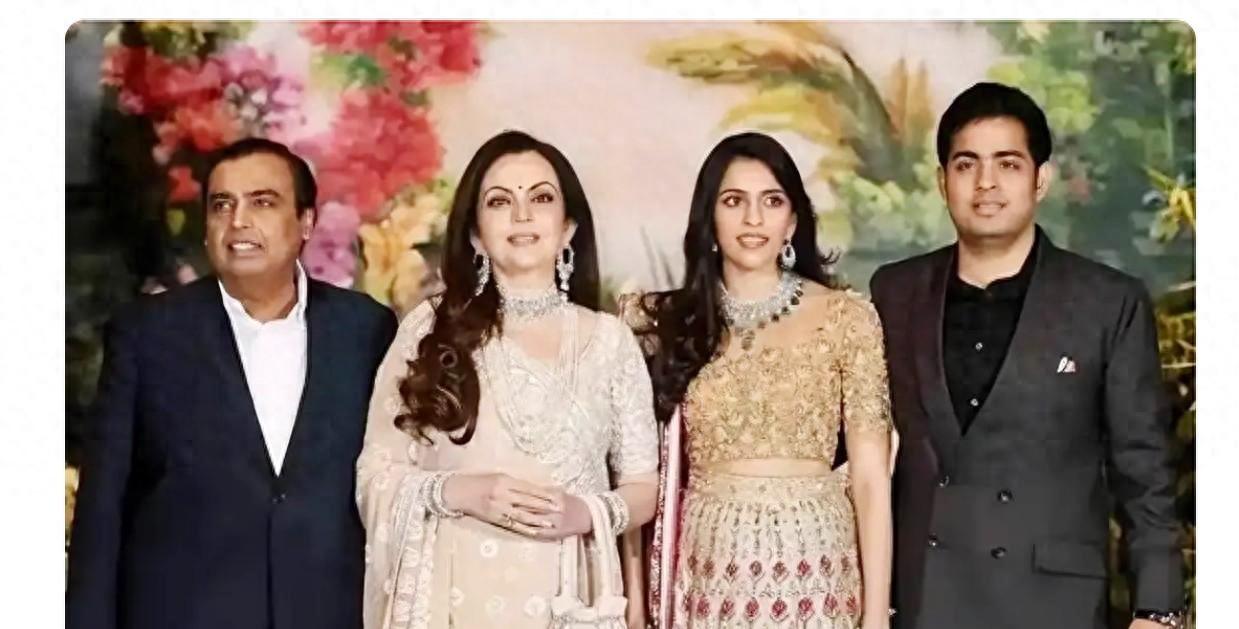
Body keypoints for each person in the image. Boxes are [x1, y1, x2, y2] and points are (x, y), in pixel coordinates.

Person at [870, 82, 1185, 629]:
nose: (986, 183)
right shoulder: (894, 293)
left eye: (1008, 164)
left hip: (1052, 603)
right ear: (942, 181)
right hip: (923, 600)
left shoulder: (1108, 302)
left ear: (1041, 179)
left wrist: (1158, 609)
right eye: (966, 164)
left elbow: (1145, 470)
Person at [66, 138, 398, 629]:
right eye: (222, 205)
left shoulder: (365, 330)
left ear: (306, 222)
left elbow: (390, 481)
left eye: (262, 202)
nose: (238, 220)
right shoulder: (147, 334)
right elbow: (102, 512)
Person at [356, 130, 659, 628]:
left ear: (568, 228)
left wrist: (587, 513)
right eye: (500, 201)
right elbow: (377, 474)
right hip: (457, 598)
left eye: (541, 198)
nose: (522, 215)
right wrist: (460, 492)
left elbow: (643, 486)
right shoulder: (431, 330)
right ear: (476, 234)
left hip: (570, 599)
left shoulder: (611, 342)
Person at [630, 132, 893, 628]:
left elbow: (870, 479)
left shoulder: (846, 318)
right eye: (734, 201)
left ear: (792, 221)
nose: (753, 219)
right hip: (709, 572)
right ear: (709, 219)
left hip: (817, 573)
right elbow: (631, 468)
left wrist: (877, 617)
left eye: (771, 201)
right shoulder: (661, 323)